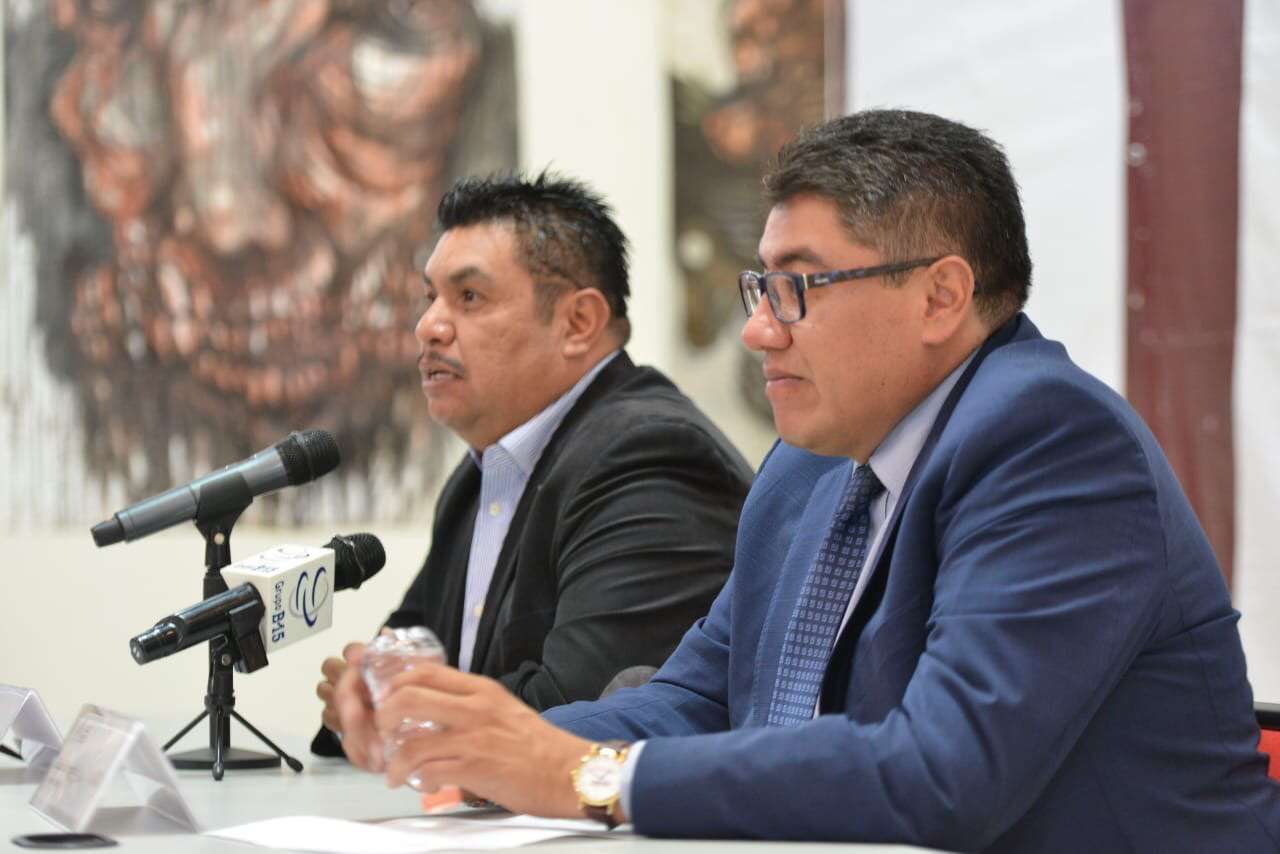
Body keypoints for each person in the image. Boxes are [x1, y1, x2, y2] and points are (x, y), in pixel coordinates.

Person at [332, 111, 1280, 851]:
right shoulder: (807, 466)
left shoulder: (1051, 442)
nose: (758, 329)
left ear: (941, 297)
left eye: (797, 288)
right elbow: (699, 698)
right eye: (759, 287)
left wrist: (587, 777)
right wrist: (488, 743)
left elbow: (945, 770)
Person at [312, 172, 753, 752]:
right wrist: (370, 703)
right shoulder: (482, 471)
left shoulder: (652, 456)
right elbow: (384, 679)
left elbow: (578, 714)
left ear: (578, 323)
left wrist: (396, 709)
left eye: (469, 297)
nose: (428, 327)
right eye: (430, 298)